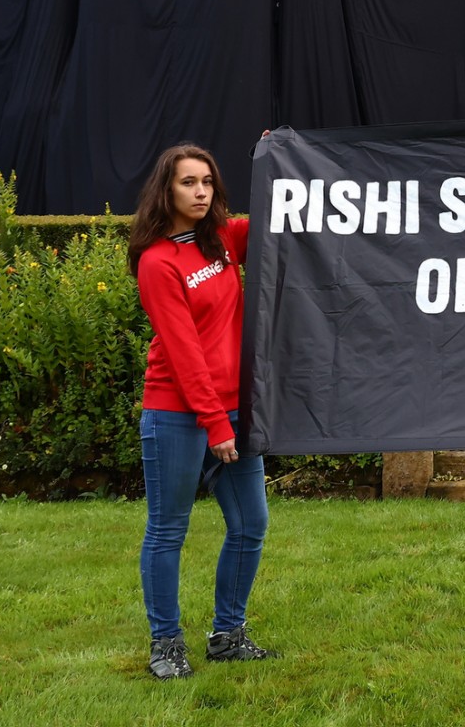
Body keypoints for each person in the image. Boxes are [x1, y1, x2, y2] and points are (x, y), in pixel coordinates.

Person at [128, 143, 273, 680]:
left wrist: (274, 156)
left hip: (232, 410)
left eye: (208, 181)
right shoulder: (157, 262)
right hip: (176, 413)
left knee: (250, 523)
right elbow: (185, 352)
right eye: (189, 182)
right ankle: (166, 643)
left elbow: (274, 216)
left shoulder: (221, 242)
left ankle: (227, 636)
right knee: (168, 529)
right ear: (166, 189)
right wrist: (214, 423)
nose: (201, 191)